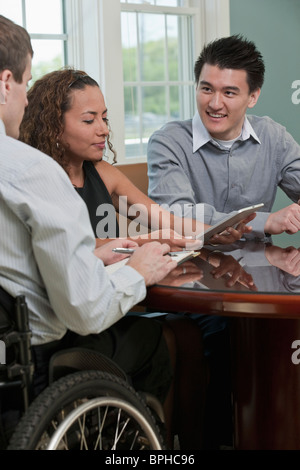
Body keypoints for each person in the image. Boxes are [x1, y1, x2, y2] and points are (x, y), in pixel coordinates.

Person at [18, 66, 256, 449]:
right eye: (89, 119)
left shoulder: (104, 174)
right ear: (52, 123)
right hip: (71, 313)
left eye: (106, 118)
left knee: (189, 334)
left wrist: (207, 231)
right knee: (171, 338)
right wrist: (149, 238)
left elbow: (164, 219)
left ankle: (176, 442)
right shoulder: (43, 180)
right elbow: (76, 244)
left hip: (113, 300)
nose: (104, 129)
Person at [0, 14, 192, 449]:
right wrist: (138, 271)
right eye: (26, 84)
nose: (27, 101)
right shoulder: (33, 172)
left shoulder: (90, 173)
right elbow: (84, 310)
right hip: (40, 359)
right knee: (160, 340)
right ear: (6, 81)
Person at [147, 33, 300, 449]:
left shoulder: (273, 137)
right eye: (207, 88)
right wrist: (268, 220)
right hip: (195, 287)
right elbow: (179, 216)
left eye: (230, 92)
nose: (215, 102)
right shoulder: (169, 141)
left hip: (265, 285)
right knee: (226, 346)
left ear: (253, 97)